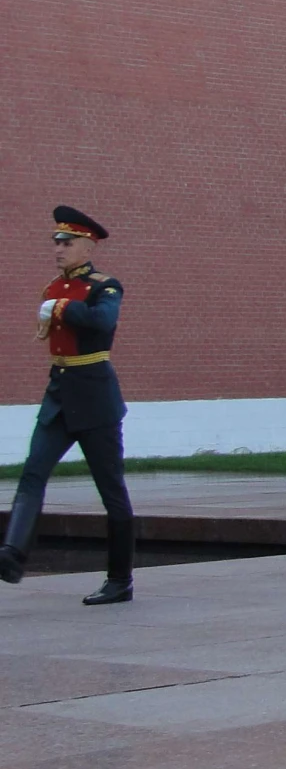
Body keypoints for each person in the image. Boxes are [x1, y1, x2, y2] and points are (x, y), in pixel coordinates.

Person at [1, 209, 135, 604]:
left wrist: (61, 309)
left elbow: (102, 322)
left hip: (94, 398)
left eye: (67, 243)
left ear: (87, 246)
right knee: (32, 473)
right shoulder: (52, 287)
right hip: (60, 395)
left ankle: (120, 580)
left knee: (111, 491)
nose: (58, 249)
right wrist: (55, 303)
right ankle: (12, 553)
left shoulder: (105, 287)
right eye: (56, 242)